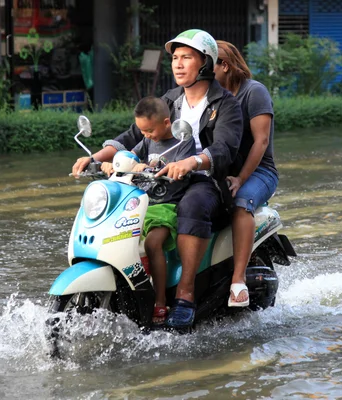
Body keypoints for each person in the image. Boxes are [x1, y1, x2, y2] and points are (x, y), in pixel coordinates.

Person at [72, 29, 243, 329]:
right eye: (175, 58)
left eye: (186, 57)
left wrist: (193, 162)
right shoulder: (170, 100)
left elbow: (224, 148)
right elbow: (134, 136)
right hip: (160, 178)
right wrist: (97, 158)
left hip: (204, 181)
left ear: (205, 62)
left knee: (192, 206)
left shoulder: (225, 104)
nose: (177, 64)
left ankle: (186, 293)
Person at [101, 96, 196, 325]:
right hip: (144, 203)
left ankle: (160, 301)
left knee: (153, 243)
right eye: (142, 131)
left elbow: (180, 168)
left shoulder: (182, 142)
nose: (146, 135)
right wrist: (112, 163)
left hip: (167, 206)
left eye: (149, 130)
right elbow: (129, 158)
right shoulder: (147, 142)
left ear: (166, 122)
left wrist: (160, 167)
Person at [214, 40, 278, 307]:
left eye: (209, 65)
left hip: (259, 171)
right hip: (222, 171)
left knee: (240, 204)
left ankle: (237, 282)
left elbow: (261, 142)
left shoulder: (254, 92)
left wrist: (241, 178)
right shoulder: (210, 96)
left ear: (225, 65)